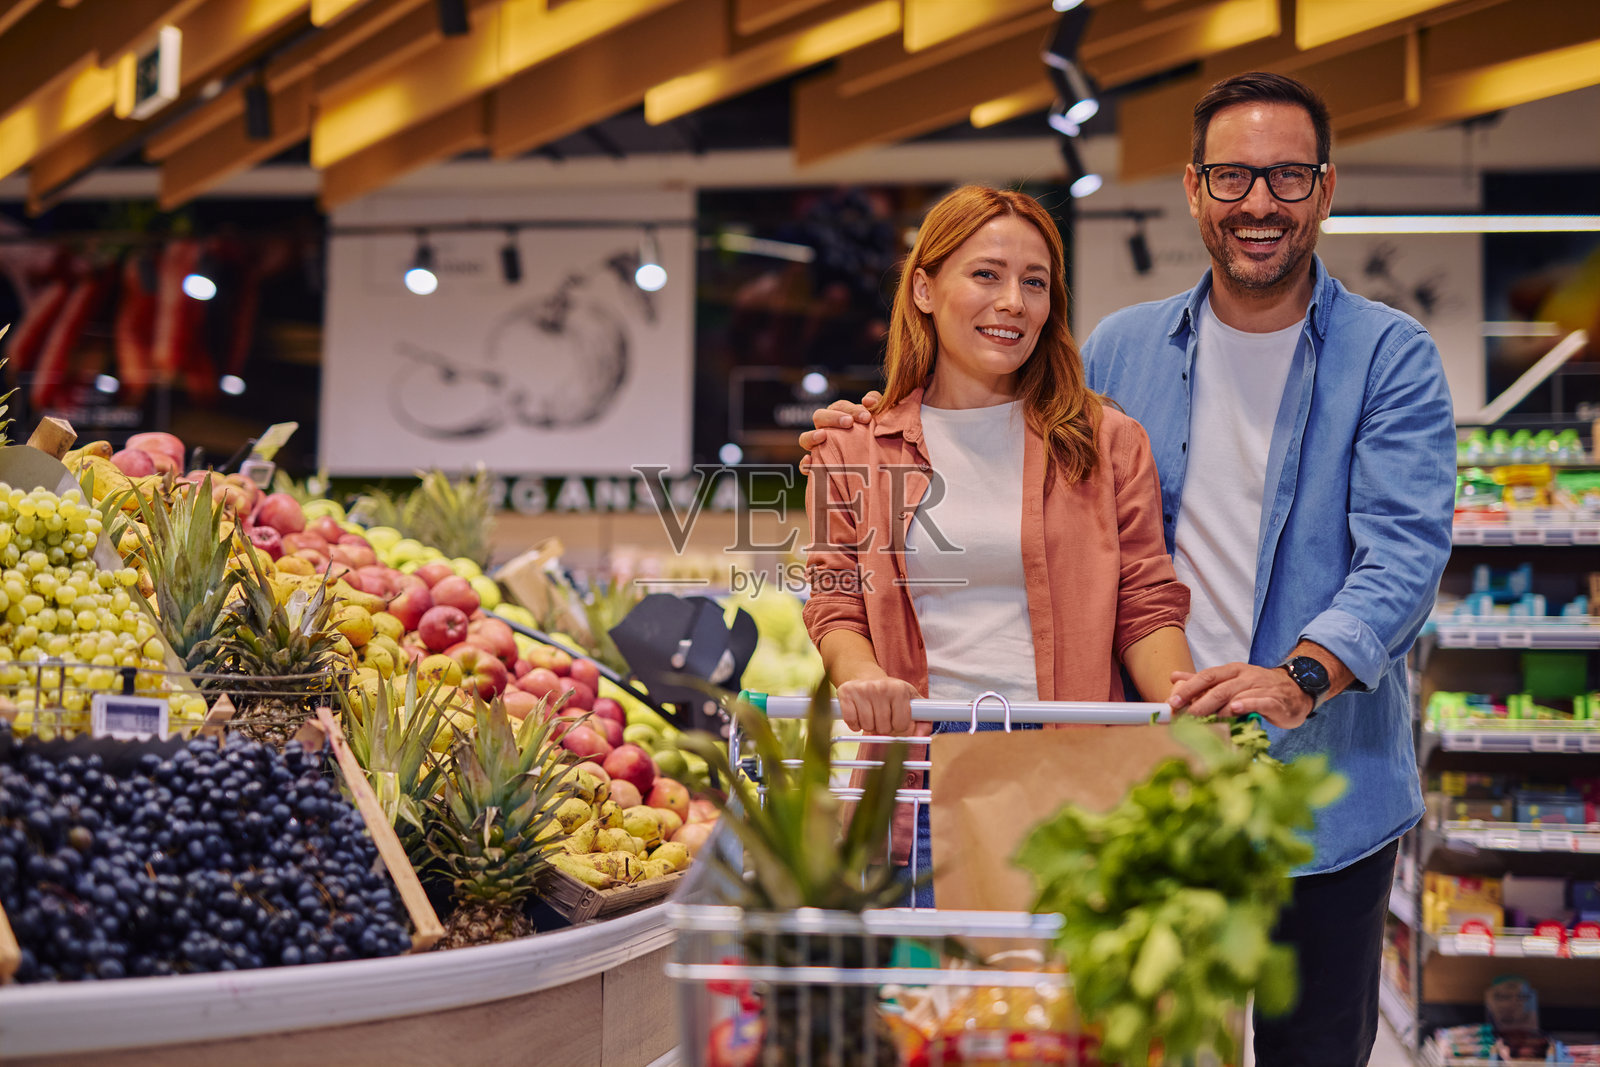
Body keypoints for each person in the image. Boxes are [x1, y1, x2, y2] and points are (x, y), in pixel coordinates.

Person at [800, 73, 1456, 1066]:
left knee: (1309, 1043)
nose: (1258, 202)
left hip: (1318, 776)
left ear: (1322, 190)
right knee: (1143, 1037)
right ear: (1194, 189)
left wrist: (1299, 673)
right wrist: (864, 430)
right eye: (1233, 175)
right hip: (1129, 768)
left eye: (1285, 176)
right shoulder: (1124, 349)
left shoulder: (1385, 355)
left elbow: (1402, 548)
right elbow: (1082, 536)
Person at [801, 184, 1193, 904]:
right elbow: (835, 600)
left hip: (1075, 757)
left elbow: (1145, 601)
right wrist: (864, 678)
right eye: (986, 274)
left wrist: (1187, 718)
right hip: (919, 765)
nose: (1014, 300)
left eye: (1035, 282)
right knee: (928, 1012)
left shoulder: (1106, 442)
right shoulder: (857, 447)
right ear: (924, 287)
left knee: (1063, 1012)